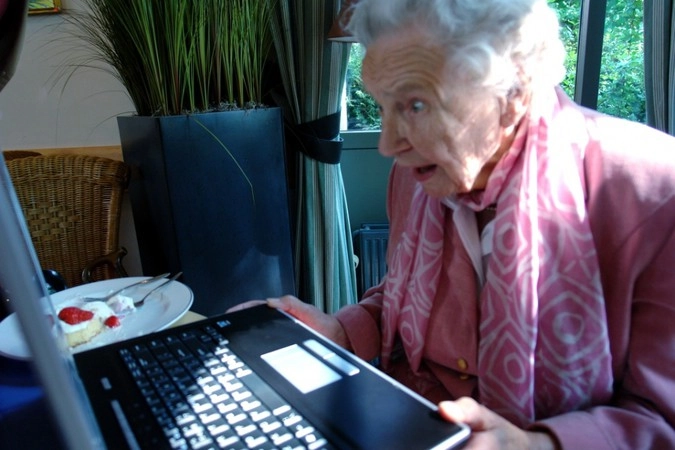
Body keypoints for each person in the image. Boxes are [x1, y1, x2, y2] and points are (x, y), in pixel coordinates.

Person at [232, 0, 675, 448]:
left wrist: (535, 444)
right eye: (383, 107)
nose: (388, 145)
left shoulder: (656, 190)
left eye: (415, 105)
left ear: (513, 92)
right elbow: (406, 296)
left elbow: (663, 418)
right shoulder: (415, 176)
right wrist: (342, 331)